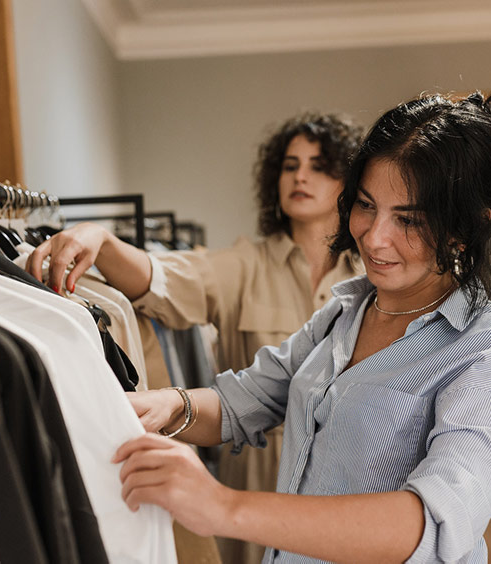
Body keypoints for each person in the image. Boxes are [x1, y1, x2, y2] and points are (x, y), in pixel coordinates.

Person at [110, 88, 491, 563]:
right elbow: (244, 400)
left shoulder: (490, 348)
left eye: (408, 219)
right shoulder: (343, 313)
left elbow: (435, 522)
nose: (374, 237)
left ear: (466, 227)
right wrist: (165, 403)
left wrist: (224, 507)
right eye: (367, 205)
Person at [26, 113, 366, 562]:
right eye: (290, 164)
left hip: (348, 484)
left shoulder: (370, 279)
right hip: (254, 485)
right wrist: (101, 242)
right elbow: (160, 278)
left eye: (319, 165)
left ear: (350, 183)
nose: (300, 175)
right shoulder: (245, 265)